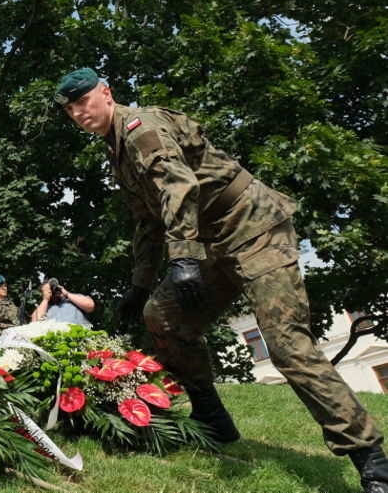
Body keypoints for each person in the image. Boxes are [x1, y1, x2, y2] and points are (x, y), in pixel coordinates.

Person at [55, 67, 388, 492]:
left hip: (255, 230)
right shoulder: (115, 147)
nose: (79, 112)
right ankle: (213, 417)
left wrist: (184, 258)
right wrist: (140, 285)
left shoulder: (141, 127)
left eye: (83, 101)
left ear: (106, 92)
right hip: (210, 243)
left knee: (287, 347)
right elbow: (147, 220)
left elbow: (179, 187)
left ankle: (371, 461)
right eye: (70, 109)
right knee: (163, 317)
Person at [31, 277, 95, 327]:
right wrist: (45, 300)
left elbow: (90, 306)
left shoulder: (75, 298)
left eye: (53, 288)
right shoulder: (44, 308)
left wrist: (66, 294)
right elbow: (35, 323)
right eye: (48, 290)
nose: (52, 291)